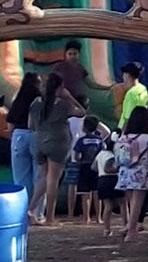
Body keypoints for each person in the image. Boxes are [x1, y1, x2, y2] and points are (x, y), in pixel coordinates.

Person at [27, 72, 85, 226]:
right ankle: (50, 217)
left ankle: (31, 208)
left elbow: (30, 125)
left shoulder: (36, 103)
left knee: (43, 178)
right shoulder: (63, 104)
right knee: (53, 178)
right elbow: (82, 112)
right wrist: (69, 96)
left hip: (40, 142)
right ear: (60, 88)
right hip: (58, 143)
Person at [117, 106, 148, 243]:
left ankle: (129, 225)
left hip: (124, 171)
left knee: (130, 201)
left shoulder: (123, 137)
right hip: (140, 171)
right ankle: (132, 230)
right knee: (137, 203)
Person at [9, 73, 43, 207]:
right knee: (40, 176)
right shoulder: (40, 99)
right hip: (37, 134)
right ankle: (37, 212)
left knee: (21, 178)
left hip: (19, 135)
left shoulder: (18, 99)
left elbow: (10, 122)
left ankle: (22, 211)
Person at [71, 116, 108, 224]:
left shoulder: (81, 140)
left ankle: (86, 218)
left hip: (84, 167)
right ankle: (98, 218)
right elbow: (103, 151)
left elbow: (77, 155)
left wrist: (79, 161)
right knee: (97, 194)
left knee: (85, 194)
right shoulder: (99, 140)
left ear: (84, 127)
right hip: (96, 168)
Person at [95, 133, 121, 236]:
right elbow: (108, 168)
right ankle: (125, 225)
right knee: (122, 204)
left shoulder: (100, 154)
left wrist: (100, 170)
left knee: (107, 206)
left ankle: (106, 229)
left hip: (101, 180)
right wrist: (118, 168)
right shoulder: (112, 155)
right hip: (112, 179)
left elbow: (94, 167)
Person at [117, 62, 148, 131]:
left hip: (128, 131)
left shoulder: (131, 94)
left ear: (127, 75)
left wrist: (122, 135)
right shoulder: (143, 89)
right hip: (141, 129)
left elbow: (127, 117)